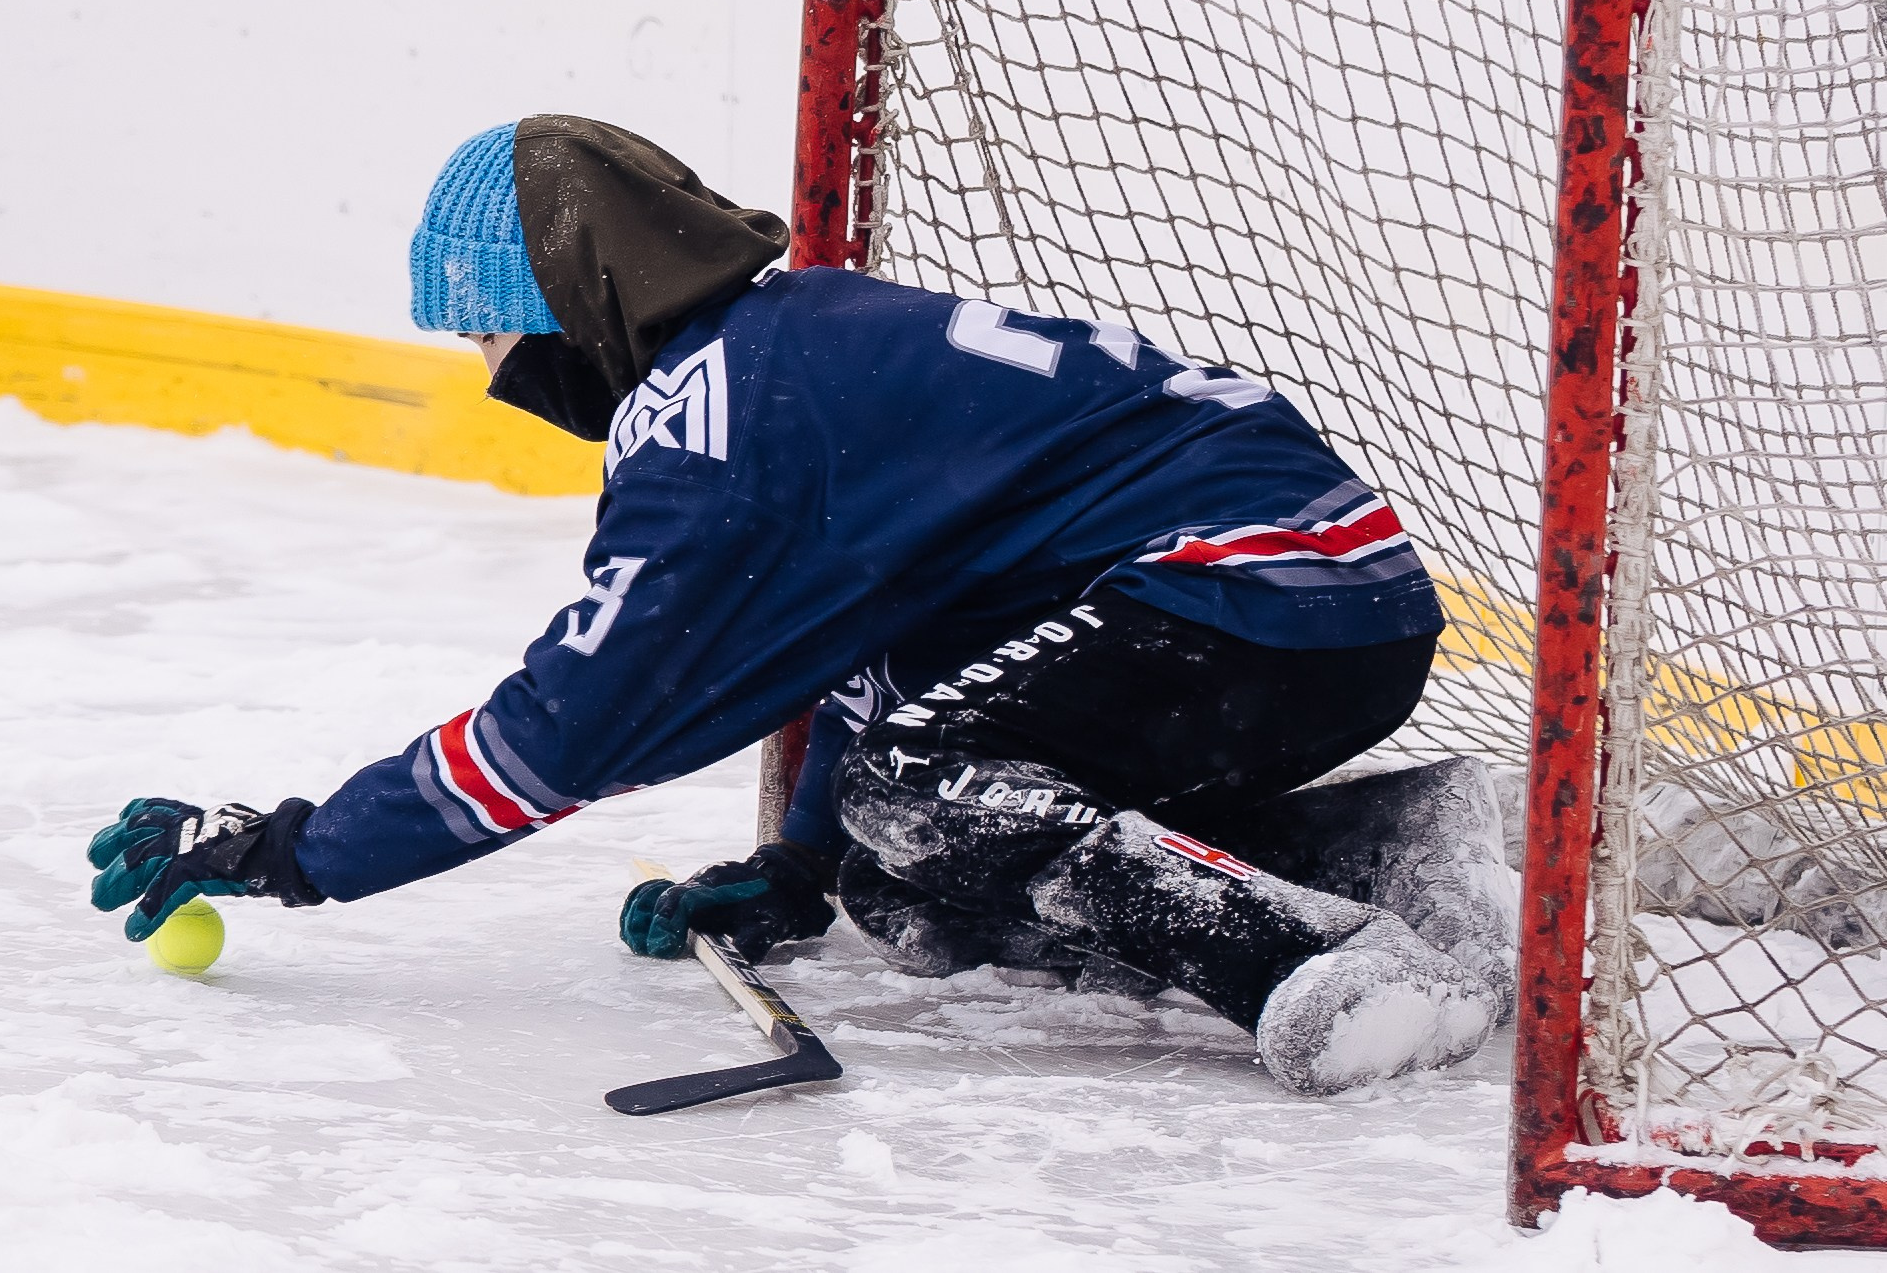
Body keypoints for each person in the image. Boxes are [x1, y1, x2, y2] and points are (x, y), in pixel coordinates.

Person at [87, 116, 1514, 1095]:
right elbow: (878, 650)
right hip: (1300, 602)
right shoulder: (787, 343)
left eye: (488, 328)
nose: (491, 370)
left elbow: (571, 727)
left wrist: (300, 849)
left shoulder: (719, 419)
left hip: (1251, 593)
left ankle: (1324, 967)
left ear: (575, 298)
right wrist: (803, 865)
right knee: (905, 882)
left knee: (927, 797)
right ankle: (1391, 845)